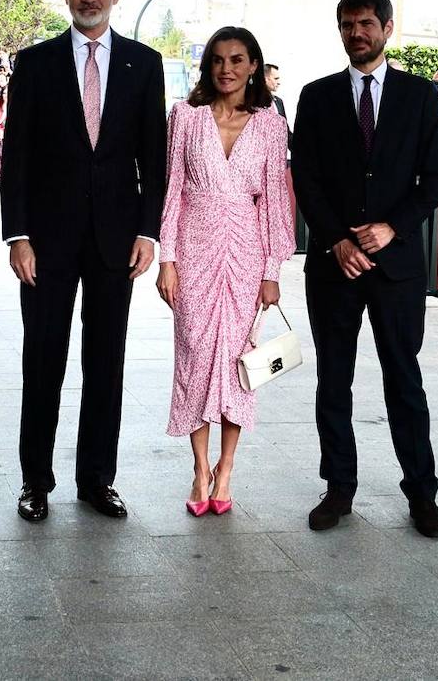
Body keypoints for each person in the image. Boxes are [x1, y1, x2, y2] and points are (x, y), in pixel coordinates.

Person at [0, 0, 166, 522]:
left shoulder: (144, 65)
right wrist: (17, 235)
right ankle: (35, 481)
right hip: (45, 243)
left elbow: (154, 158)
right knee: (42, 359)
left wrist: (149, 232)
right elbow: (14, 155)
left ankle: (97, 478)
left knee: (106, 361)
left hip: (116, 242)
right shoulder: (36, 62)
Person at [290, 0, 438, 539]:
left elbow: (435, 179)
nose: (355, 32)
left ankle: (422, 494)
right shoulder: (316, 96)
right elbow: (305, 178)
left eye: (365, 23)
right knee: (334, 379)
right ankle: (338, 488)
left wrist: (392, 227)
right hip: (334, 266)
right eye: (346, 24)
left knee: (404, 379)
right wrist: (335, 239)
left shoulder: (420, 95)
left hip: (398, 266)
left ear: (386, 27)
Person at [156, 27, 294, 516]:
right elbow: (172, 189)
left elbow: (276, 199)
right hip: (193, 250)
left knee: (240, 365)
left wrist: (273, 268)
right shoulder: (186, 117)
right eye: (217, 60)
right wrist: (166, 258)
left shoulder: (271, 124)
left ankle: (227, 468)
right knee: (194, 358)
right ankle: (198, 468)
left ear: (253, 65)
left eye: (237, 59)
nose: (226, 69)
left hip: (247, 255)